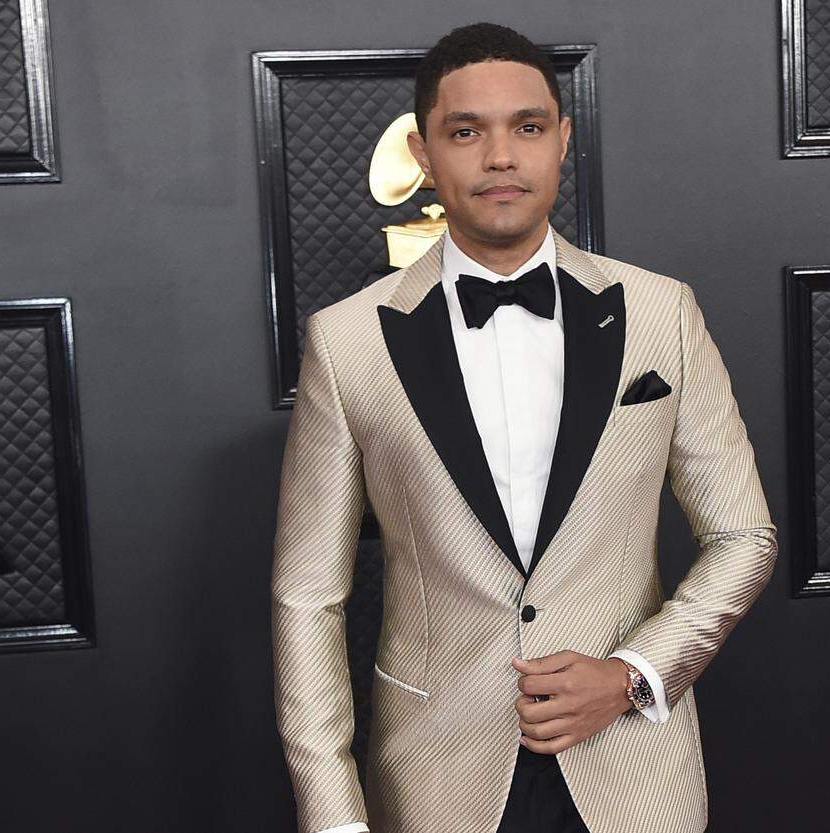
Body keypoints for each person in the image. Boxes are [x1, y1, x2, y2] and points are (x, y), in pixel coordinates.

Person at [271, 21, 777, 833]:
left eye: (528, 127)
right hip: (435, 779)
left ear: (563, 140)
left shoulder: (663, 313)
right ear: (424, 152)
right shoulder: (346, 341)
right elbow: (308, 596)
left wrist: (633, 673)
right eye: (466, 132)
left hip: (634, 772)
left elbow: (743, 535)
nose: (501, 157)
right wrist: (333, 814)